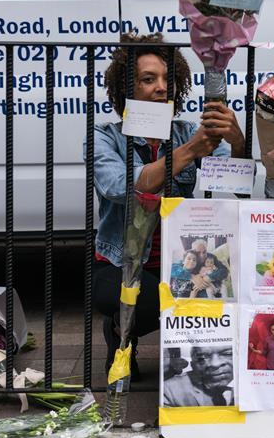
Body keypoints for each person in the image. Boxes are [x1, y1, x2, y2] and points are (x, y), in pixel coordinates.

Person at [88, 33, 245, 377]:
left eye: (167, 79)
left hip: (181, 259)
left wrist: (237, 141)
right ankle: (120, 330)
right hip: (122, 262)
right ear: (126, 88)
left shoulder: (187, 131)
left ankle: (190, 358)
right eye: (149, 79)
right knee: (142, 300)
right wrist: (190, 150)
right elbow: (121, 185)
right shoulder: (105, 136)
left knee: (218, 285)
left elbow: (235, 184)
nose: (162, 88)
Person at [164, 345, 234, 407]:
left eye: (228, 354)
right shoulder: (169, 390)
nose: (215, 363)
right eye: (202, 358)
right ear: (192, 365)